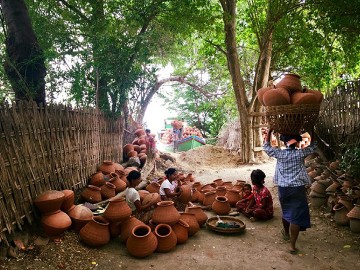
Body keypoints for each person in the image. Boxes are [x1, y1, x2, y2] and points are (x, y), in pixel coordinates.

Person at [263, 128, 317, 254]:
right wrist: (312, 130)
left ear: (284, 143)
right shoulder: (300, 154)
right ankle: (292, 246)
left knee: (286, 211)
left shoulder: (280, 154)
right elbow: (314, 145)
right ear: (297, 142)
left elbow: (266, 146)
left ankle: (286, 233)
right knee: (296, 217)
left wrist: (270, 131)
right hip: (297, 189)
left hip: (283, 189)